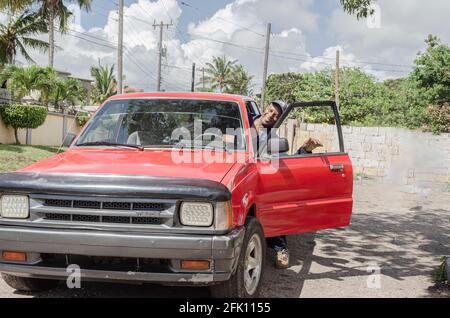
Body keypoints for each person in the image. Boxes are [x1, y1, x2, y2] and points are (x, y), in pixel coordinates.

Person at [251, 100, 322, 269]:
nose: (271, 115)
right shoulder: (242, 122)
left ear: (279, 120)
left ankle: (280, 248)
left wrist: (304, 151)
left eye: (276, 115)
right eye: (270, 110)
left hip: (261, 178)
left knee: (275, 209)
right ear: (265, 108)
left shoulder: (273, 138)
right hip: (236, 175)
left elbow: (285, 160)